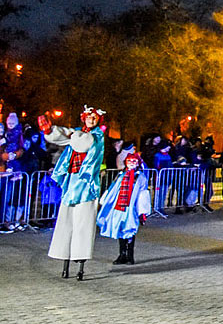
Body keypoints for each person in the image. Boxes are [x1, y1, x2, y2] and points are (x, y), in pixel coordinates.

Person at [40, 107, 106, 281]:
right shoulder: (77, 133)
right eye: (88, 117)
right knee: (66, 221)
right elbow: (64, 135)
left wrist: (70, 136)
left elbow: (82, 143)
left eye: (94, 117)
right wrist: (50, 130)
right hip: (72, 182)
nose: (91, 120)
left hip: (86, 185)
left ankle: (80, 256)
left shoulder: (97, 136)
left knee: (83, 223)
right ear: (83, 118)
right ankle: (65, 255)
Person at [96, 150, 151, 265]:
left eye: (134, 161)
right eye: (129, 161)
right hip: (119, 207)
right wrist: (106, 201)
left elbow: (142, 194)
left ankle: (130, 256)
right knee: (120, 230)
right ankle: (122, 254)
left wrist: (142, 211)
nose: (131, 163)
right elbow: (113, 189)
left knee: (130, 230)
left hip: (131, 208)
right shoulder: (121, 175)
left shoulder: (140, 177)